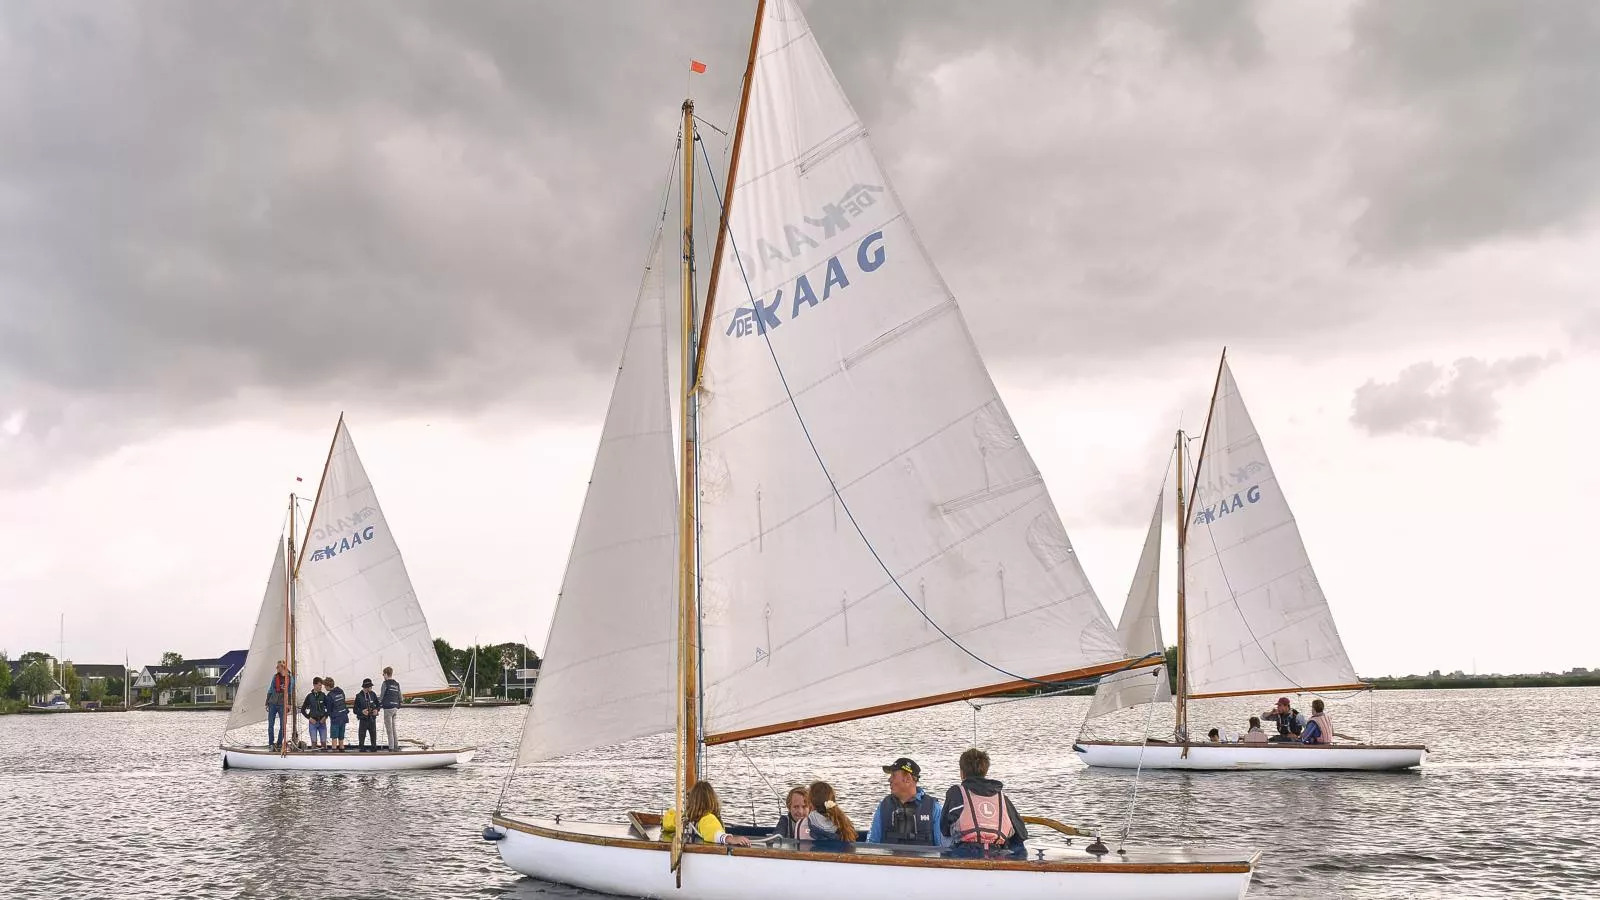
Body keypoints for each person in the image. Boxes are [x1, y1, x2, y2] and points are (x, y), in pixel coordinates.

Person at [941, 748, 1027, 854]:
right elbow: (1022, 833)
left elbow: (943, 828)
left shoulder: (956, 793)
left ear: (962, 773)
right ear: (985, 772)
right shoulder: (1001, 797)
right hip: (996, 852)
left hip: (964, 852)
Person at [866, 757, 943, 846]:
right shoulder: (883, 806)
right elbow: (872, 844)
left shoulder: (934, 808)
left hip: (923, 860)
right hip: (890, 860)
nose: (889, 780)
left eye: (893, 775)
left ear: (907, 779)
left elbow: (942, 847)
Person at [663, 781, 751, 846]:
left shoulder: (684, 819)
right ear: (711, 800)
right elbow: (714, 833)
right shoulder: (707, 818)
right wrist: (730, 839)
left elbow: (666, 822)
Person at [265, 660, 291, 750]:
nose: (276, 668)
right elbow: (270, 690)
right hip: (272, 703)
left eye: (278, 667)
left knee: (283, 725)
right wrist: (266, 702)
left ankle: (280, 743)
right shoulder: (275, 677)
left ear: (282, 667)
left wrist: (289, 704)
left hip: (282, 704)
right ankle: (271, 743)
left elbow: (290, 692)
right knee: (270, 725)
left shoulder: (290, 678)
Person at [301, 677, 329, 750]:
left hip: (322, 722)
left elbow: (329, 708)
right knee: (314, 743)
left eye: (321, 685)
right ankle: (313, 756)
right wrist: (309, 718)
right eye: (319, 685)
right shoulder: (309, 696)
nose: (321, 687)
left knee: (323, 743)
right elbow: (303, 710)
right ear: (314, 685)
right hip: (312, 722)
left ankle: (325, 756)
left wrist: (325, 717)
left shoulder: (323, 696)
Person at [353, 678, 381, 752]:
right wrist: (362, 711)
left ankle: (374, 750)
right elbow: (354, 710)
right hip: (363, 720)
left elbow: (378, 705)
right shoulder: (359, 696)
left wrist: (376, 710)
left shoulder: (373, 694)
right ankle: (361, 751)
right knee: (362, 737)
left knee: (373, 737)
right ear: (366, 687)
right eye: (370, 686)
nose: (371, 688)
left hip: (372, 720)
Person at [380, 666, 402, 751]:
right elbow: (400, 697)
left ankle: (391, 748)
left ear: (386, 674)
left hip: (388, 708)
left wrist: (377, 704)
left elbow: (381, 697)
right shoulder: (396, 684)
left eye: (383, 674)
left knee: (389, 730)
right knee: (394, 729)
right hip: (395, 708)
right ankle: (396, 746)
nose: (383, 676)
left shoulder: (385, 683)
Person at [324, 676, 349, 752]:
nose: (324, 688)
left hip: (335, 719)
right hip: (344, 717)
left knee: (334, 737)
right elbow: (343, 701)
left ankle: (334, 751)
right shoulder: (341, 691)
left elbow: (329, 709)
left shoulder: (329, 696)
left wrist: (324, 717)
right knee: (341, 737)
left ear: (328, 686)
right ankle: (342, 750)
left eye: (325, 686)